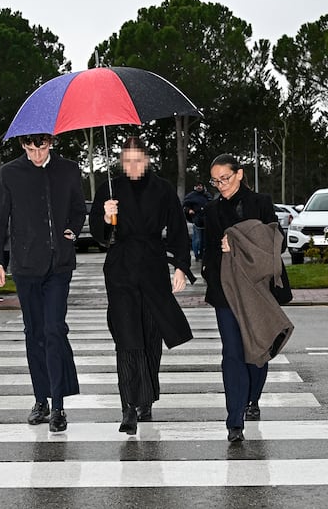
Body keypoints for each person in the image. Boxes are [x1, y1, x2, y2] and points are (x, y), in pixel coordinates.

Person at [89, 135, 195, 435]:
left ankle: (146, 398)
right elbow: (100, 235)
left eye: (137, 160)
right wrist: (107, 218)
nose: (132, 165)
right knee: (126, 334)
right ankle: (128, 406)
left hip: (152, 266)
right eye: (127, 161)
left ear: (146, 160)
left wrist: (181, 267)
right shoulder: (109, 190)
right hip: (120, 268)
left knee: (150, 335)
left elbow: (177, 230)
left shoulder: (162, 189)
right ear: (121, 162)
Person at [0, 133, 86, 433]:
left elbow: (78, 209)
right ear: (23, 146)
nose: (36, 155)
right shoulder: (10, 173)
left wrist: (70, 229)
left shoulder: (68, 170)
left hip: (59, 266)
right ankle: (40, 399)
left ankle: (58, 406)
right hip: (26, 266)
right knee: (35, 334)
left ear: (51, 142)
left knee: (54, 329)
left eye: (41, 148)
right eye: (30, 149)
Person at [201, 153, 288, 443]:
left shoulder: (261, 203)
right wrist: (220, 251)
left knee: (258, 349)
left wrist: (240, 242)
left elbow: (277, 241)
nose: (220, 185)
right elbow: (207, 253)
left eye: (225, 178)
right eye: (215, 180)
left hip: (259, 289)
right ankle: (234, 419)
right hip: (226, 290)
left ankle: (253, 398)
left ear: (239, 174)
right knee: (232, 352)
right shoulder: (211, 210)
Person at [183, 181, 212, 261]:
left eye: (200, 186)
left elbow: (211, 204)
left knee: (205, 239)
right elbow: (185, 206)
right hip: (197, 219)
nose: (199, 187)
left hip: (206, 220)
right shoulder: (191, 196)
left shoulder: (207, 195)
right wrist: (189, 210)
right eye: (197, 186)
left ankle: (203, 255)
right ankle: (197, 255)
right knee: (197, 239)